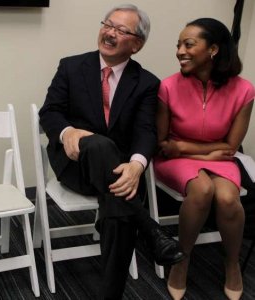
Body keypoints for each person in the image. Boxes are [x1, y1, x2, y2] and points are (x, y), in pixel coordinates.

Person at [39, 4, 185, 300]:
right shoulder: (71, 66)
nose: (110, 32)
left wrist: (137, 165)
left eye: (121, 30)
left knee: (117, 207)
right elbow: (50, 112)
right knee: (98, 144)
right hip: (75, 165)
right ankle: (151, 230)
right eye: (108, 24)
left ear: (137, 44)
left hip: (120, 173)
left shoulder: (146, 83)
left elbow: (146, 131)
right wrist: (68, 133)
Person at [154, 18, 255, 300]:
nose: (179, 51)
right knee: (202, 189)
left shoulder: (244, 90)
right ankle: (181, 259)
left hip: (218, 158)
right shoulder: (168, 87)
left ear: (213, 49)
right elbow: (164, 144)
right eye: (178, 45)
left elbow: (231, 146)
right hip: (175, 161)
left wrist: (185, 146)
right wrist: (203, 150)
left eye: (188, 44)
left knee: (226, 198)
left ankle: (232, 263)